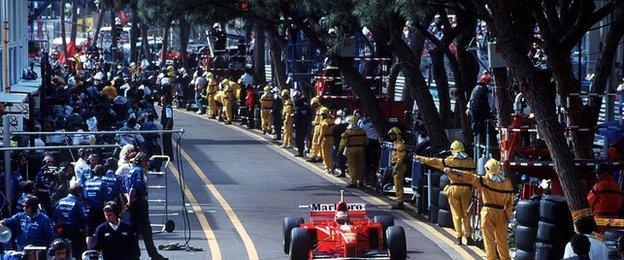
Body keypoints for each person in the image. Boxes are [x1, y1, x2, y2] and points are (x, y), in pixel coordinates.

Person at [443, 159, 513, 260]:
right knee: (502, 241)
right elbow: (510, 203)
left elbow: (470, 177)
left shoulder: (485, 181)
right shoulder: (507, 183)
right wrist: (506, 214)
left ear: (488, 169)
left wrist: (453, 171)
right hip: (502, 213)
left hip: (488, 212)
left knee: (489, 240)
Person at [414, 140, 476, 245]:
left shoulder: (449, 160)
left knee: (456, 214)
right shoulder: (470, 161)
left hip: (454, 189)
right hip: (466, 189)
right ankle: (469, 237)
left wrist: (419, 158)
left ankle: (459, 237)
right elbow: (474, 177)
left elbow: (433, 161)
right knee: (466, 213)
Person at [126, 152, 167, 260]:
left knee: (140, 230)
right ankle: (149, 255)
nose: (147, 163)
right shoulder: (138, 171)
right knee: (142, 230)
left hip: (135, 203)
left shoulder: (132, 169)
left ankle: (143, 255)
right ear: (141, 161)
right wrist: (130, 202)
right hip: (138, 203)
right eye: (146, 161)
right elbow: (133, 188)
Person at [53, 185, 88, 257]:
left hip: (60, 230)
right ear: (78, 192)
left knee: (62, 252)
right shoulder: (78, 203)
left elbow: (54, 215)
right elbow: (84, 218)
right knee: (75, 253)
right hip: (74, 231)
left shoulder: (60, 201)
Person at [339, 116, 368, 188]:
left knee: (352, 167)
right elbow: (366, 142)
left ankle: (353, 182)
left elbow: (343, 143)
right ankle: (361, 182)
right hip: (361, 149)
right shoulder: (362, 131)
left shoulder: (348, 132)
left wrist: (340, 150)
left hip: (351, 150)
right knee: (360, 166)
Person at [84, 165, 109, 249]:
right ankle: (100, 250)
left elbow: (83, 197)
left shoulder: (86, 182)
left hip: (88, 210)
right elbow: (105, 201)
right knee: (101, 231)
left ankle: (89, 251)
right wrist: (107, 213)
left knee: (89, 233)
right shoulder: (103, 183)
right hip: (99, 210)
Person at [356, 111, 380, 185]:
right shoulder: (378, 121)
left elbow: (360, 132)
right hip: (377, 143)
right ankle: (375, 179)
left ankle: (367, 178)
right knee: (377, 161)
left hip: (368, 142)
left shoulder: (364, 122)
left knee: (367, 161)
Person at [389, 127, 406, 210]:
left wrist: (395, 167)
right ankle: (399, 201)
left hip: (399, 166)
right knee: (397, 184)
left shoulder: (399, 144)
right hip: (396, 166)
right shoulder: (395, 143)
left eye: (393, 135)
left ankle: (400, 202)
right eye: (391, 135)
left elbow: (400, 158)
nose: (391, 136)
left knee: (398, 184)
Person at [307, 97, 325, 162]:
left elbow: (322, 120)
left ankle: (314, 156)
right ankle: (319, 156)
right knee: (317, 142)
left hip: (319, 127)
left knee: (316, 142)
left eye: (314, 104)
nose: (313, 106)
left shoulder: (322, 110)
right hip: (317, 127)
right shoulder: (318, 109)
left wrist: (315, 123)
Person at [319, 107, 335, 174]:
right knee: (330, 154)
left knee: (325, 155)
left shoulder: (324, 123)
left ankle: (327, 168)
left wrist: (319, 141)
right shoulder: (332, 120)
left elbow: (322, 133)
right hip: (331, 139)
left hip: (325, 139)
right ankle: (331, 168)